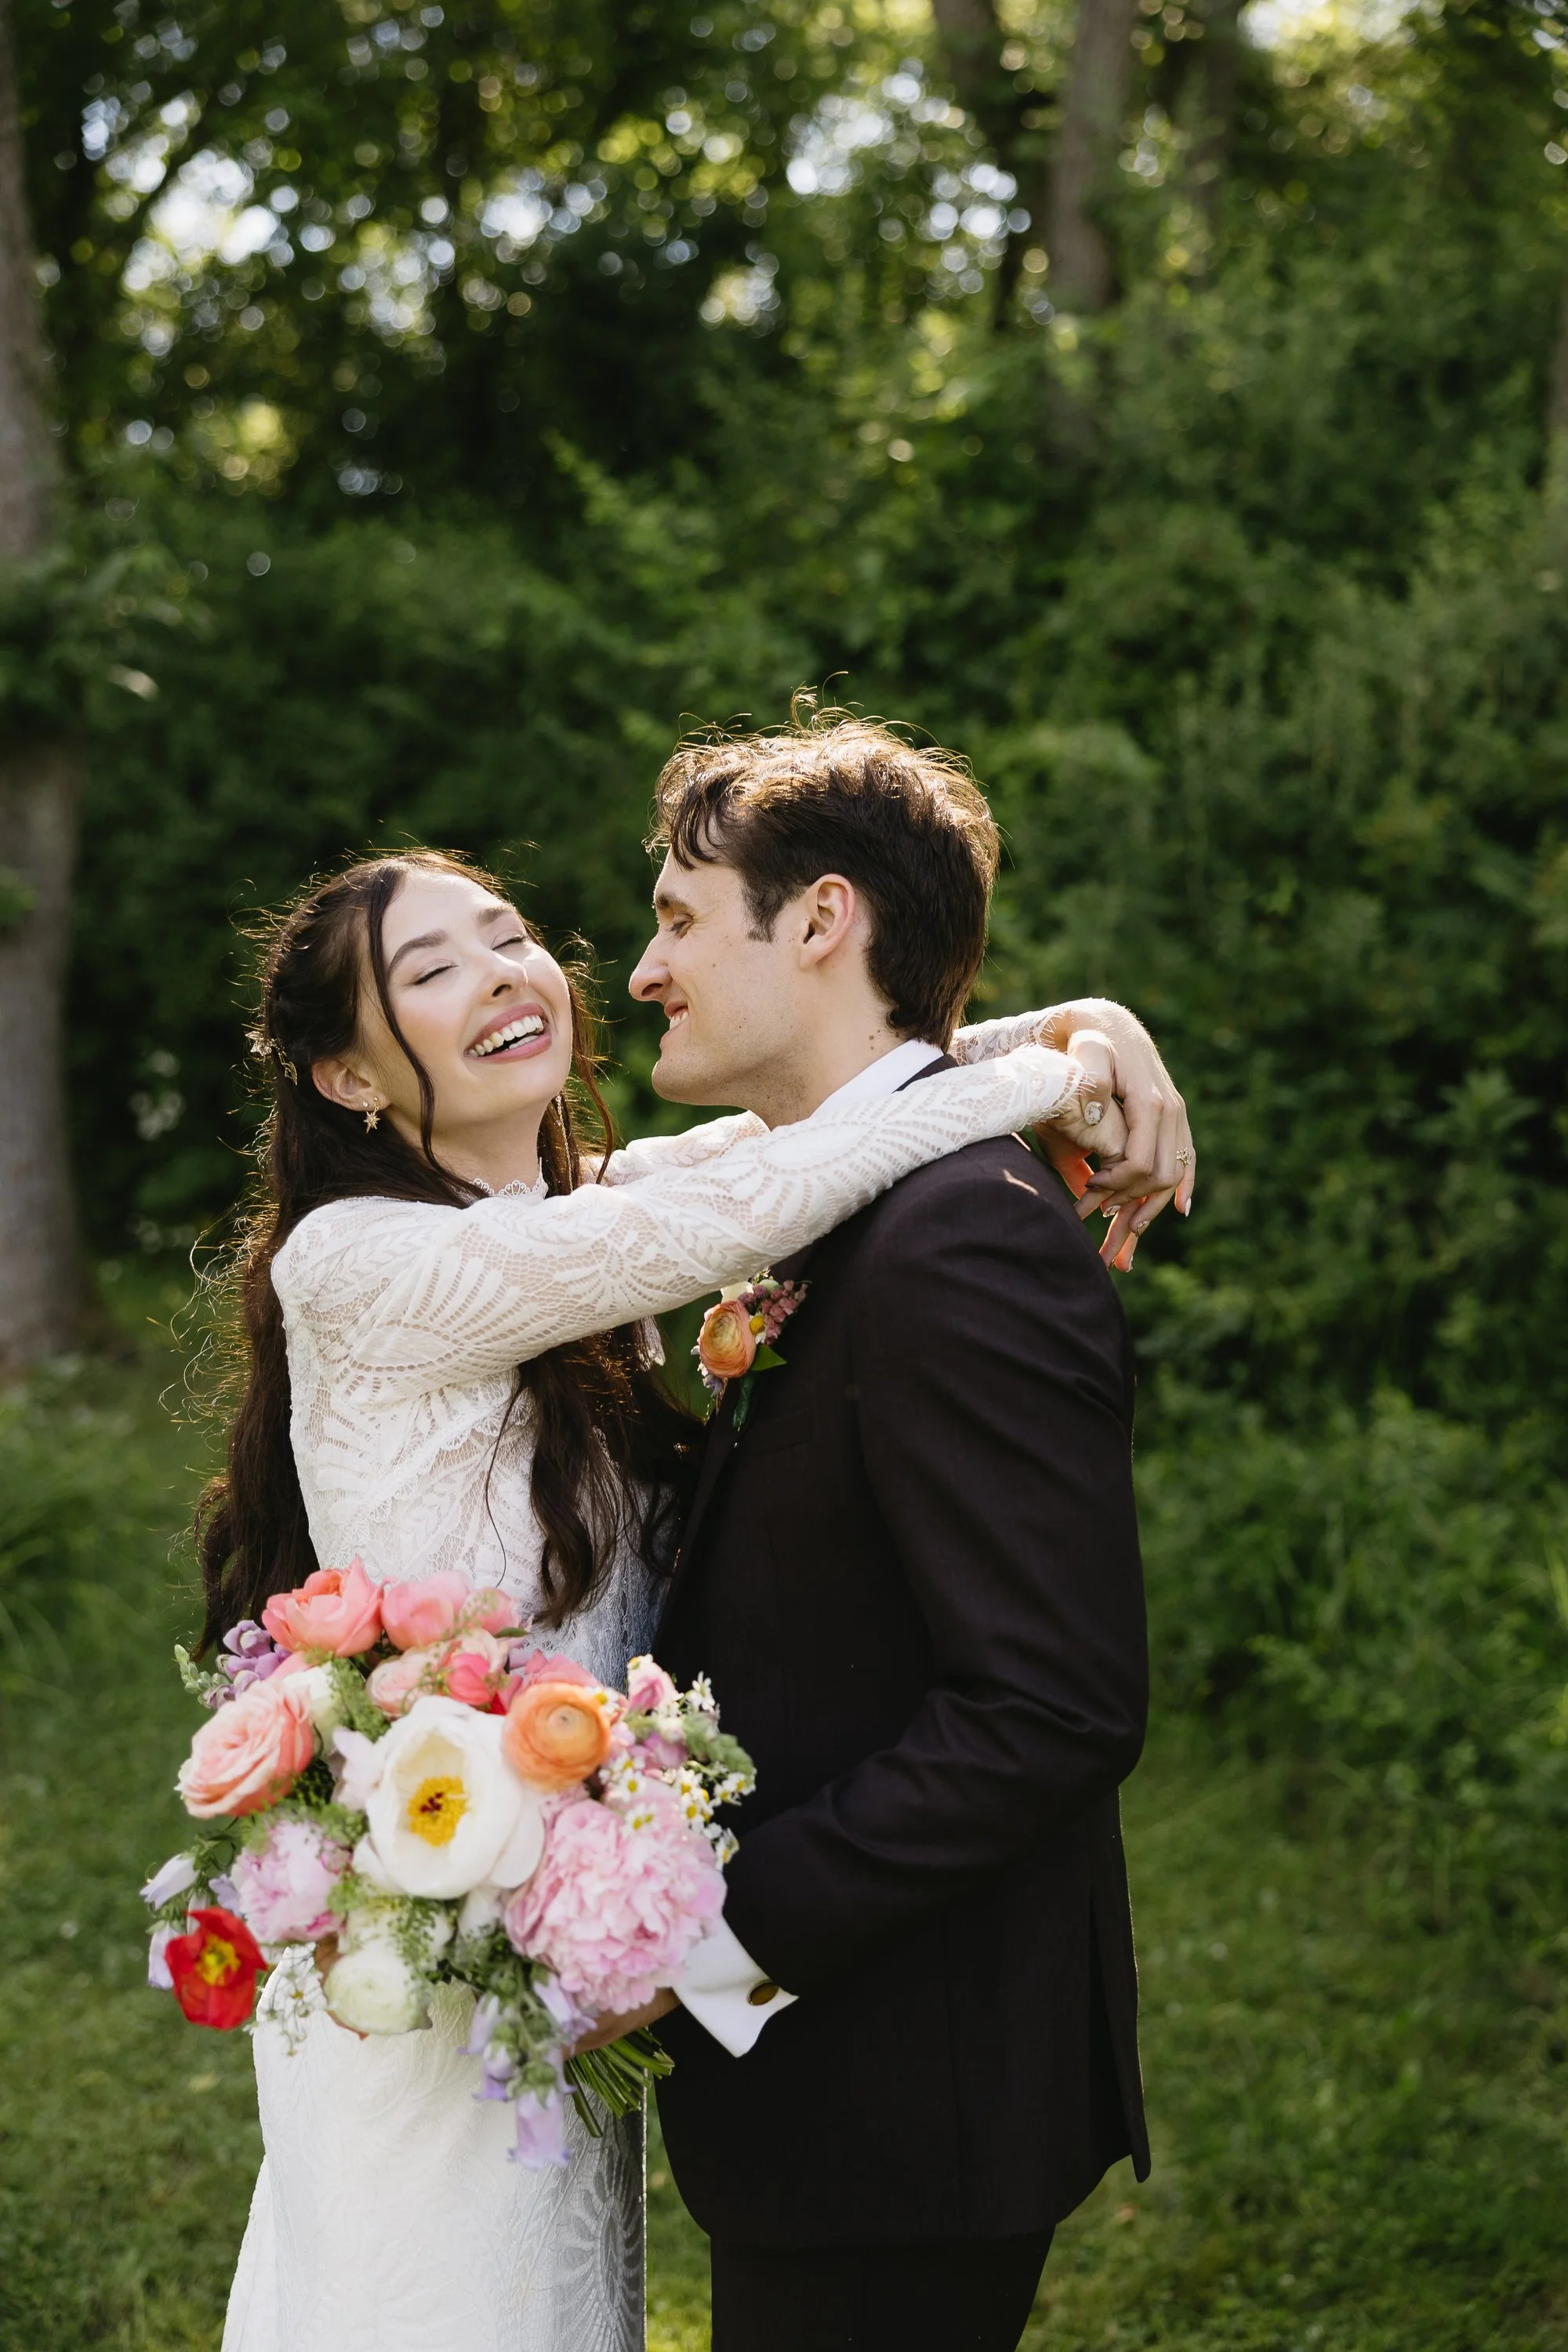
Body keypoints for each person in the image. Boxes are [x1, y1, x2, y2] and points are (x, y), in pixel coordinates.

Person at [206, 837, 1185, 2352]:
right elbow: (766, 1190)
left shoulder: (572, 1208)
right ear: (348, 1079)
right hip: (445, 1964)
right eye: (429, 971)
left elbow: (808, 1121)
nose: (503, 974)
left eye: (507, 932)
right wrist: (1058, 1074)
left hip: (564, 1954)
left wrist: (1086, 1029)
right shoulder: (361, 1260)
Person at [578, 715, 1189, 2352]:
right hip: (839, 2078)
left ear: (823, 919)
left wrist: (707, 1947)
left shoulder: (961, 1239)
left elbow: (1051, 1707)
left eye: (681, 919)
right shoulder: (841, 1192)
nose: (644, 971)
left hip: (911, 2089)